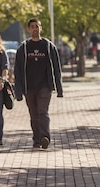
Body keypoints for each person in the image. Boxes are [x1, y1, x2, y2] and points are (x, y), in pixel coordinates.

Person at [13, 18, 63, 149]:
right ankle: (36, 139)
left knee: (42, 112)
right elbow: (17, 70)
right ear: (29, 29)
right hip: (29, 87)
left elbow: (57, 68)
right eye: (32, 26)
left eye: (37, 26)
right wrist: (18, 91)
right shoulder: (23, 48)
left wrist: (59, 88)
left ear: (41, 28)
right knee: (34, 115)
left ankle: (44, 137)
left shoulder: (48, 46)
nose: (35, 29)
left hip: (44, 86)